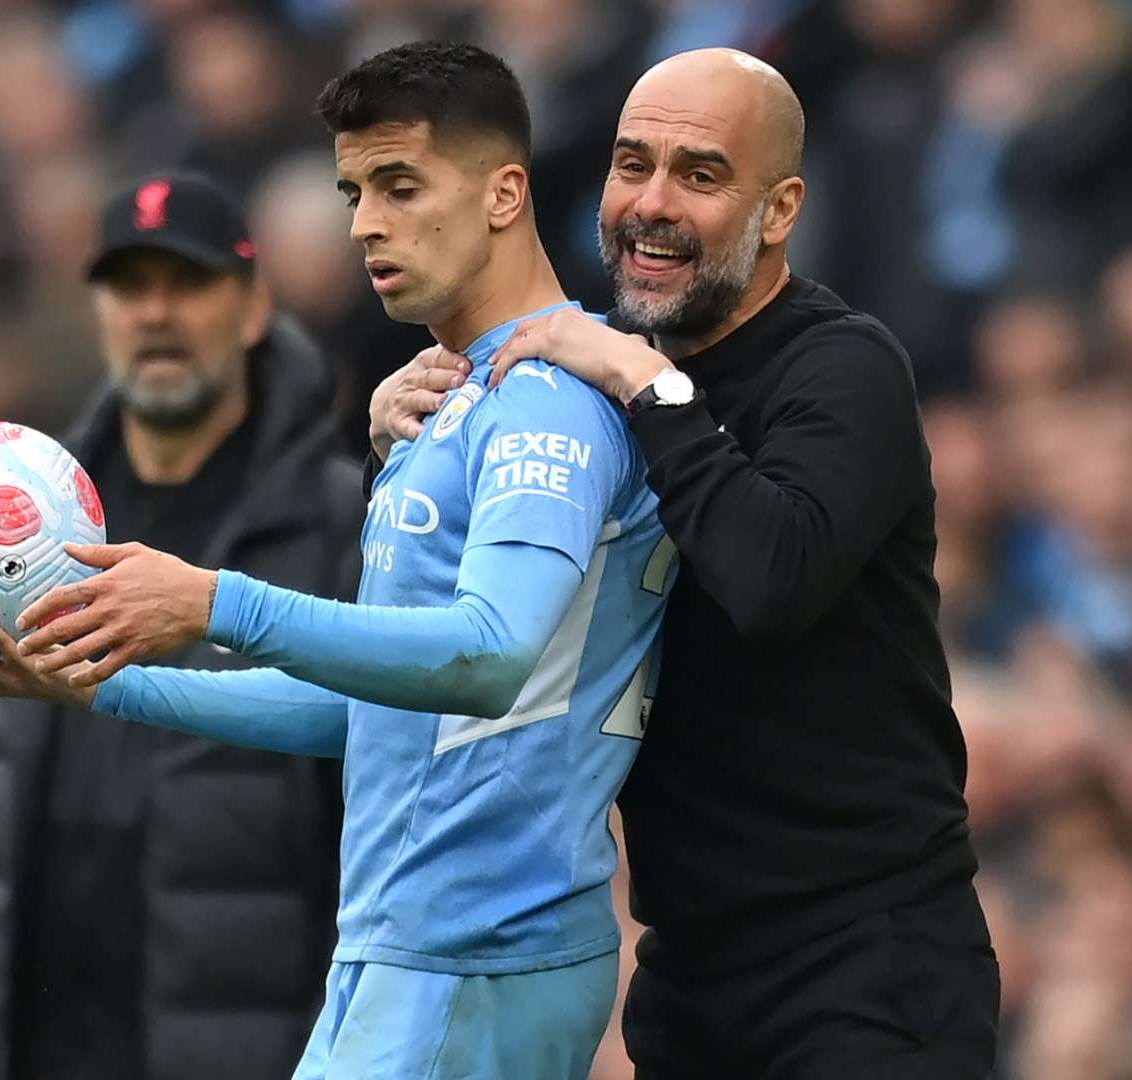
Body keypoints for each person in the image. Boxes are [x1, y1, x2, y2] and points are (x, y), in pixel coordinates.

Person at [0, 42, 673, 1080]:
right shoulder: (444, 404)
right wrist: (104, 687)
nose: (366, 223)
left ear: (504, 194)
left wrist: (214, 600)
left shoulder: (553, 400)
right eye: (354, 191)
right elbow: (375, 716)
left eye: (401, 186)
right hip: (402, 949)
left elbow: (491, 657)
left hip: (482, 946)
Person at [375, 48, 1001, 1078]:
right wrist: (399, 451)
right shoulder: (588, 380)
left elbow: (769, 577)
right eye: (632, 165)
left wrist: (650, 385)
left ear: (783, 208)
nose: (650, 205)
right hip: (687, 979)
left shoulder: (846, 369)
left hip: (867, 970)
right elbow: (475, 621)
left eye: (700, 176)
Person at [0, 172, 363, 1080]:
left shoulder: (341, 522)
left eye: (189, 283)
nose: (156, 314)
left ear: (253, 309)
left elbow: (381, 797)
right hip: (34, 1038)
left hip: (252, 1044)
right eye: (130, 288)